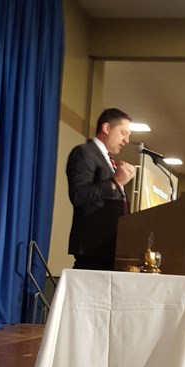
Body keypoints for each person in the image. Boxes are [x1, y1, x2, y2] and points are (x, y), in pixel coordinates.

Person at [66, 108, 136, 271]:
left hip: (111, 249)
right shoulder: (85, 153)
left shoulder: (108, 160)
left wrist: (119, 182)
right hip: (93, 249)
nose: (126, 140)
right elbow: (79, 195)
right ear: (106, 128)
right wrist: (115, 180)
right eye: (123, 133)